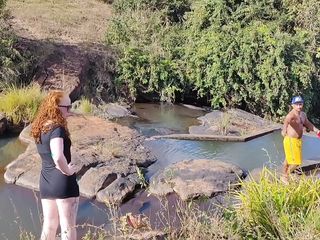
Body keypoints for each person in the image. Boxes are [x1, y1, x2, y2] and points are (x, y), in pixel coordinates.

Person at [31, 90, 79, 240]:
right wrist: (68, 171)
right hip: (62, 182)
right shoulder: (57, 128)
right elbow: (57, 155)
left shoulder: (41, 127)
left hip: (46, 181)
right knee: (68, 226)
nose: (70, 110)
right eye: (68, 107)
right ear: (56, 107)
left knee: (49, 225)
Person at [281, 96, 320, 182]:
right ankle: (285, 176)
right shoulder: (290, 116)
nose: (299, 106)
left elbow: (308, 123)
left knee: (288, 159)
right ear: (292, 105)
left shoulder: (303, 115)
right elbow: (285, 123)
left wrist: (317, 131)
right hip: (291, 140)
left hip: (298, 141)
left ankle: (284, 174)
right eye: (297, 104)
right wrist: (284, 131)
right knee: (296, 163)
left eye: (300, 104)